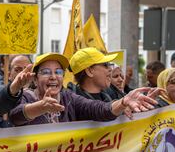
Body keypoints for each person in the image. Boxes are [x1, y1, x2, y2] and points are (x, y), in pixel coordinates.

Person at [9, 53, 160, 126]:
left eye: (59, 72)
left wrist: (123, 102)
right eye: (46, 72)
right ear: (35, 78)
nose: (53, 77)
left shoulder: (68, 98)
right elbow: (15, 115)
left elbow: (98, 109)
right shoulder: (26, 97)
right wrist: (40, 107)